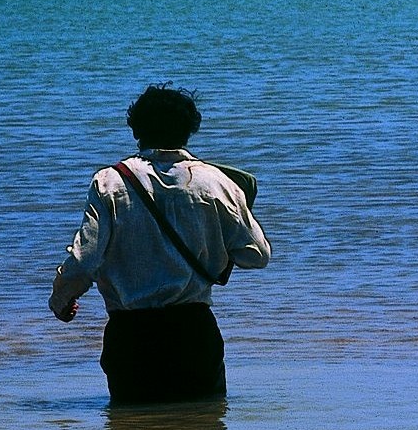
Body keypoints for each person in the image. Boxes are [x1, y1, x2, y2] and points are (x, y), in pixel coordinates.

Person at [50, 85, 271, 404]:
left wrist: (61, 298)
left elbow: (85, 260)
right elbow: (257, 256)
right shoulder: (217, 182)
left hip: (131, 334)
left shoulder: (109, 182)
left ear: (136, 129)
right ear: (189, 129)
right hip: (194, 332)